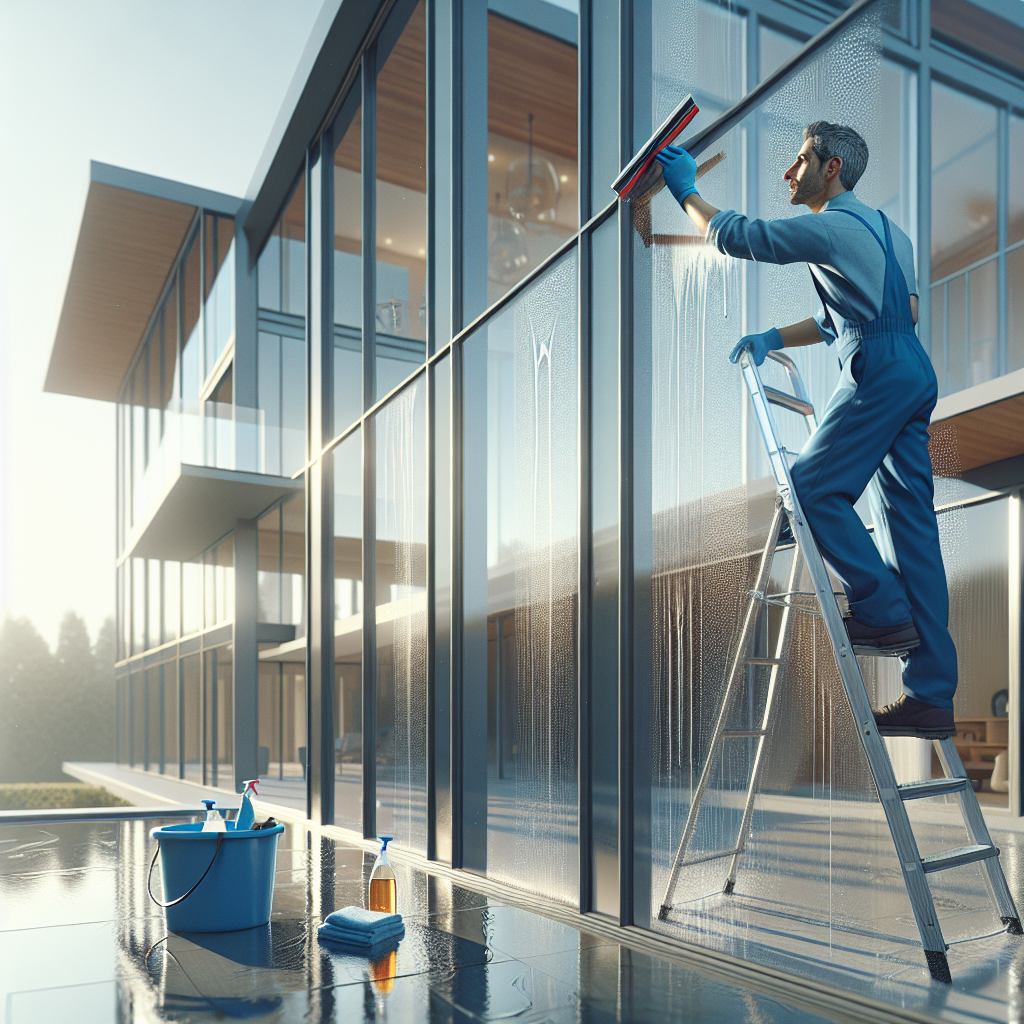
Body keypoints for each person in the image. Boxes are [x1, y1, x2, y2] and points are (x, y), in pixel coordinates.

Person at [656, 123, 956, 739]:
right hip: (911, 370)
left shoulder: (831, 226)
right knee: (915, 532)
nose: (788, 173)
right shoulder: (887, 232)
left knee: (810, 490)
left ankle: (880, 605)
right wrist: (775, 338)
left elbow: (743, 237)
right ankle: (932, 694)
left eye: (799, 160)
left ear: (832, 167)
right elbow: (849, 317)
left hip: (878, 370)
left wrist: (684, 192)